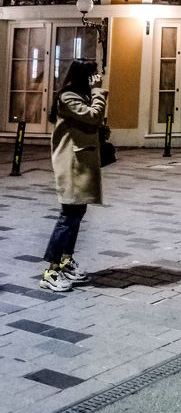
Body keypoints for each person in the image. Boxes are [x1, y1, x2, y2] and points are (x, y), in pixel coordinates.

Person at [40, 60, 109, 292]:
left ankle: (65, 261)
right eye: (95, 74)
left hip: (81, 163)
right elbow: (94, 116)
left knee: (77, 214)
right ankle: (50, 271)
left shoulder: (80, 96)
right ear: (85, 77)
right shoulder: (68, 97)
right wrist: (98, 91)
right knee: (68, 216)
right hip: (71, 165)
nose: (98, 77)